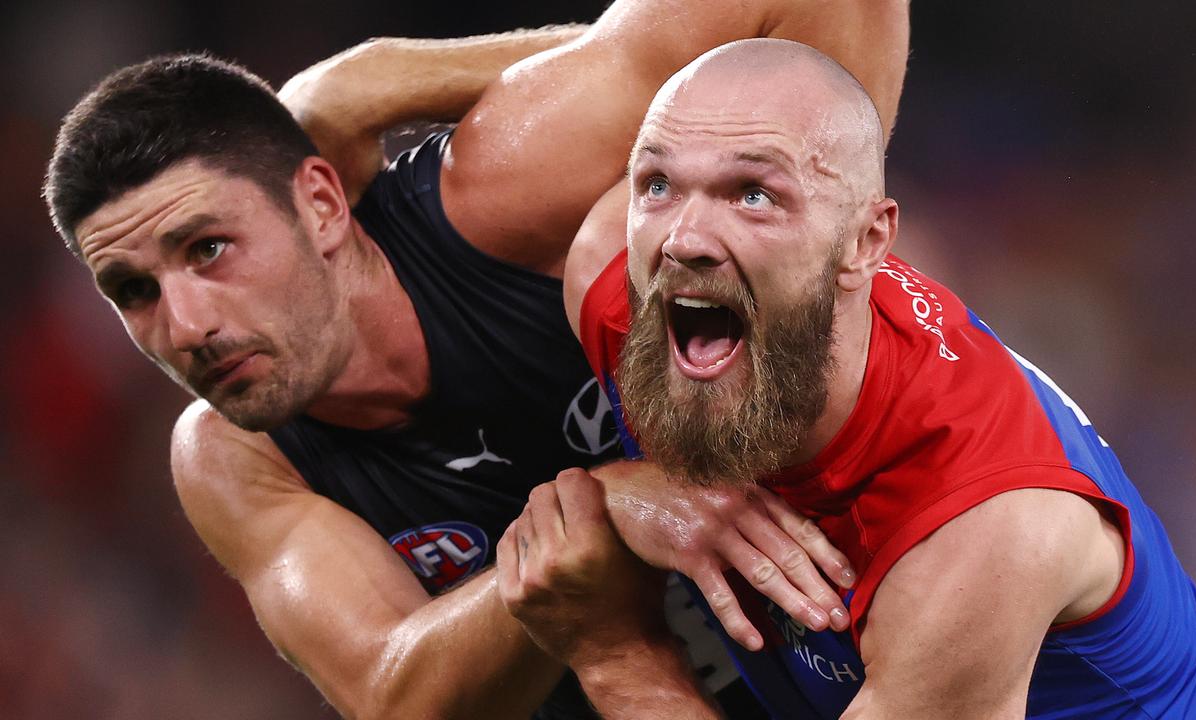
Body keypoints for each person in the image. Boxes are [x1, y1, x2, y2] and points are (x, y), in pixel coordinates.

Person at [42, 2, 909, 718]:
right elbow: (393, 693)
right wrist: (599, 514)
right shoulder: (234, 459)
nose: (185, 324)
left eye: (208, 249)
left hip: (896, 635)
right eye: (133, 291)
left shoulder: (502, 193)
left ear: (318, 203)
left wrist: (383, 74)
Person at [497, 38, 1196, 718]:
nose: (686, 239)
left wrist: (616, 654)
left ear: (865, 244)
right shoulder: (615, 283)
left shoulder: (981, 537)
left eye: (755, 195)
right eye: (658, 184)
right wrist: (636, 490)